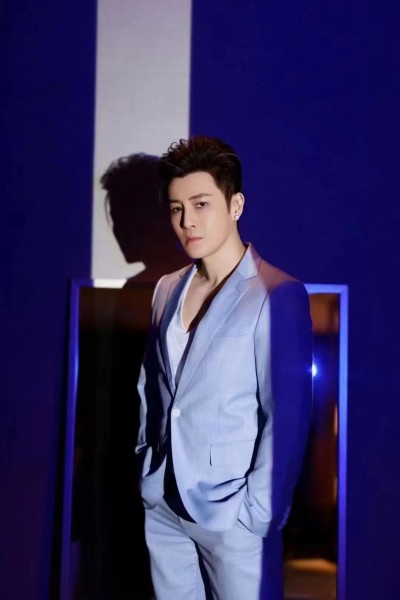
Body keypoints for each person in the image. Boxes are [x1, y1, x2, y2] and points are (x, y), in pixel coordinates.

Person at [135, 135, 313, 599]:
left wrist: (256, 514)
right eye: (176, 209)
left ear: (235, 205)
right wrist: (148, 463)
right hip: (164, 502)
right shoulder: (166, 289)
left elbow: (287, 416)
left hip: (234, 516)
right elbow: (152, 388)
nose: (187, 221)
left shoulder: (275, 294)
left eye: (201, 204)